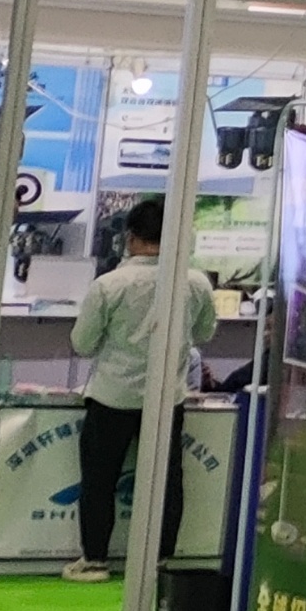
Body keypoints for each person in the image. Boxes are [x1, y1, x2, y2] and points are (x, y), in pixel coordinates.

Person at [61, 200, 219, 584]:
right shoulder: (196, 282)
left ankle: (95, 560)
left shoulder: (109, 284)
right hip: (167, 398)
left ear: (130, 238)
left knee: (99, 480)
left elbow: (83, 343)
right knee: (166, 480)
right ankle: (159, 560)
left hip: (112, 396)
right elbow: (204, 334)